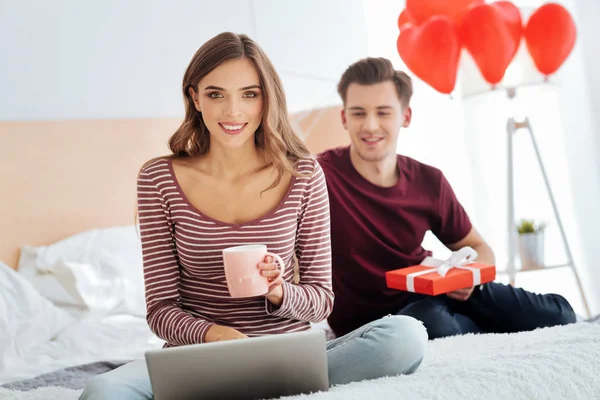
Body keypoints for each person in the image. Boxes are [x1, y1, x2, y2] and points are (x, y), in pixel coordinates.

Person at [79, 35, 426, 399]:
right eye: (216, 94)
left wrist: (278, 291)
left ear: (267, 98)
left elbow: (321, 299)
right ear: (194, 98)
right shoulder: (158, 179)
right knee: (103, 391)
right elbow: (162, 310)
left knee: (405, 335)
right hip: (199, 359)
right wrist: (218, 336)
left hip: (287, 355)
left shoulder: (303, 174)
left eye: (249, 94)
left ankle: (268, 384)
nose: (233, 112)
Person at [318, 57, 576, 340]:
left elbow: (480, 249)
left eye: (383, 112)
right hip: (378, 320)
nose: (370, 125)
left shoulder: (429, 180)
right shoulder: (318, 176)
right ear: (343, 117)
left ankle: (472, 322)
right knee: (436, 326)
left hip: (438, 289)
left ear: (405, 116)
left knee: (559, 314)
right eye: (358, 113)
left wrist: (466, 275)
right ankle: (479, 329)